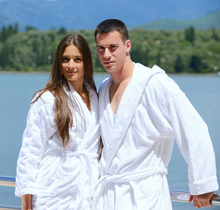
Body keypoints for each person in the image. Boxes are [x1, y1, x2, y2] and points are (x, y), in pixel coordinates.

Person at [92, 19, 219, 209]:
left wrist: (203, 184)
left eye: (113, 47)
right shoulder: (102, 89)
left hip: (145, 197)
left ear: (127, 46)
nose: (106, 55)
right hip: (108, 197)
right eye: (101, 48)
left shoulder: (155, 84)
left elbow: (193, 129)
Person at [15, 34, 101, 210]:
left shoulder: (97, 97)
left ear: (87, 62)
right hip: (53, 189)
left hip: (88, 187)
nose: (71, 66)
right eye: (65, 59)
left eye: (77, 59)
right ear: (58, 63)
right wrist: (26, 202)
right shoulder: (47, 99)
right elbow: (30, 151)